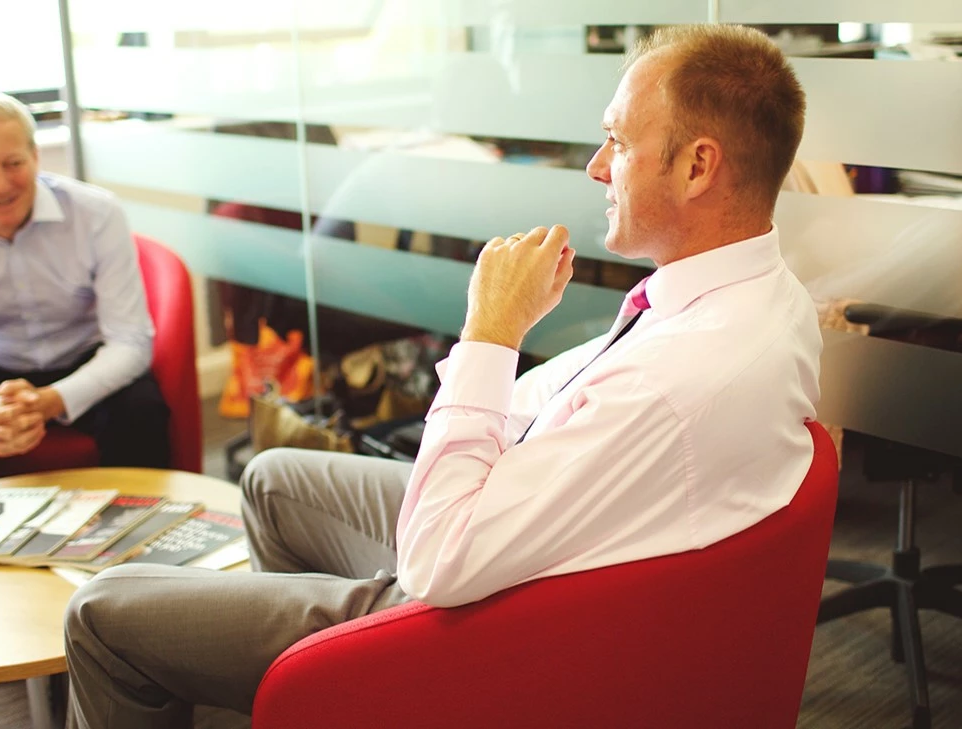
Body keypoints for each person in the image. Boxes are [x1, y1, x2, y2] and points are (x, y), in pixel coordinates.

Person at [63, 24, 820, 728]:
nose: (596, 166)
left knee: (99, 614)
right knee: (271, 478)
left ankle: (336, 672)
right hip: (530, 523)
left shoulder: (672, 384)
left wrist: (490, 333)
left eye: (616, 142)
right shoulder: (765, 295)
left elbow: (438, 561)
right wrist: (493, 370)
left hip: (475, 614)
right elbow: (556, 398)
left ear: (697, 166)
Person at [0, 92, 170, 500]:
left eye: (14, 164)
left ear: (36, 157)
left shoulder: (97, 214)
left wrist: (51, 401)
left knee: (141, 413)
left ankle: (143, 550)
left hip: (84, 356)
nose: (1, 184)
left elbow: (130, 342)